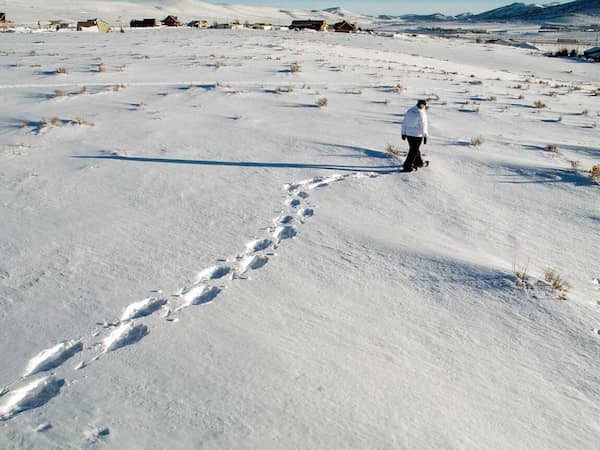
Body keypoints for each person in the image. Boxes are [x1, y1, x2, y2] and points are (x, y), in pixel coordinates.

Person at [401, 99, 429, 172]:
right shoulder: (421, 113)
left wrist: (403, 133)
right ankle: (407, 167)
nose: (422, 106)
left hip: (409, 135)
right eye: (421, 104)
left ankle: (419, 163)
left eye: (423, 104)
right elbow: (423, 126)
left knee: (414, 149)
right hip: (417, 135)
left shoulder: (409, 111)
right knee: (413, 151)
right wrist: (425, 135)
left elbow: (404, 122)